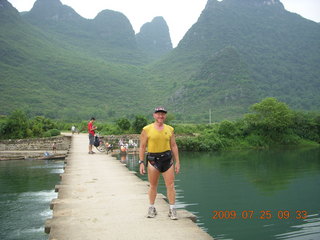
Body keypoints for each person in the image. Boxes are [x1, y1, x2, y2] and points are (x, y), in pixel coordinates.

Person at [139, 106, 180, 220]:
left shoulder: (170, 129)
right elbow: (142, 147)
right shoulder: (147, 129)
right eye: (158, 114)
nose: (160, 116)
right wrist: (141, 162)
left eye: (162, 114)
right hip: (153, 160)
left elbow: (173, 145)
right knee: (153, 186)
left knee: (170, 185)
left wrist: (177, 162)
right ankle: (151, 207)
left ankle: (172, 209)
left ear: (165, 116)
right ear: (154, 115)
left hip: (167, 159)